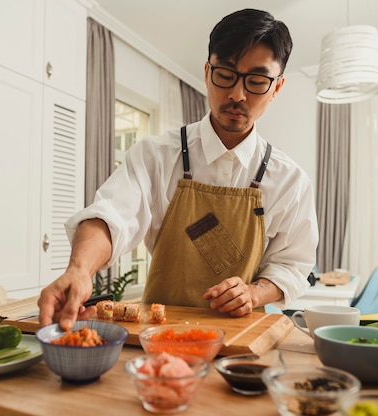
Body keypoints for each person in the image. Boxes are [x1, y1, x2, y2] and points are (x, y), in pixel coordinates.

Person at [38, 8, 319, 330]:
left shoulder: (290, 179)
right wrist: (79, 269)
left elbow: (293, 265)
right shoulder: (155, 155)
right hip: (157, 333)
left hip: (242, 337)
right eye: (225, 75)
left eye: (256, 81)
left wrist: (254, 293)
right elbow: (112, 214)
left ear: (277, 87)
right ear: (206, 71)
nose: (237, 95)